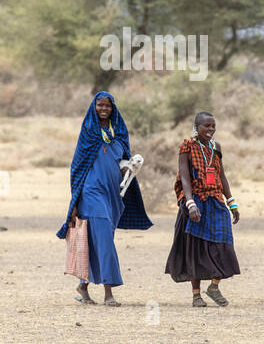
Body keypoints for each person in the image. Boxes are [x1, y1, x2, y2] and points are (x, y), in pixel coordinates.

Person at [56, 91, 152, 306]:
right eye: (100, 105)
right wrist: (74, 203)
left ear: (113, 107)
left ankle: (83, 285)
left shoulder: (118, 131)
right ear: (94, 106)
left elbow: (122, 161)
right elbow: (77, 168)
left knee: (98, 240)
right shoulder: (89, 132)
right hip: (91, 192)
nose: (103, 109)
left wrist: (130, 166)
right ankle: (109, 293)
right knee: (105, 240)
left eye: (107, 106)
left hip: (113, 195)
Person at [165, 111, 241, 307]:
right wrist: (190, 203)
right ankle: (196, 295)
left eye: (213, 126)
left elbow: (221, 175)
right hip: (196, 199)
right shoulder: (187, 146)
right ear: (196, 127)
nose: (211, 130)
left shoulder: (216, 147)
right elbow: (184, 176)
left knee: (224, 243)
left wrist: (231, 202)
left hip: (215, 200)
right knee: (195, 248)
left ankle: (214, 287)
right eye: (206, 126)